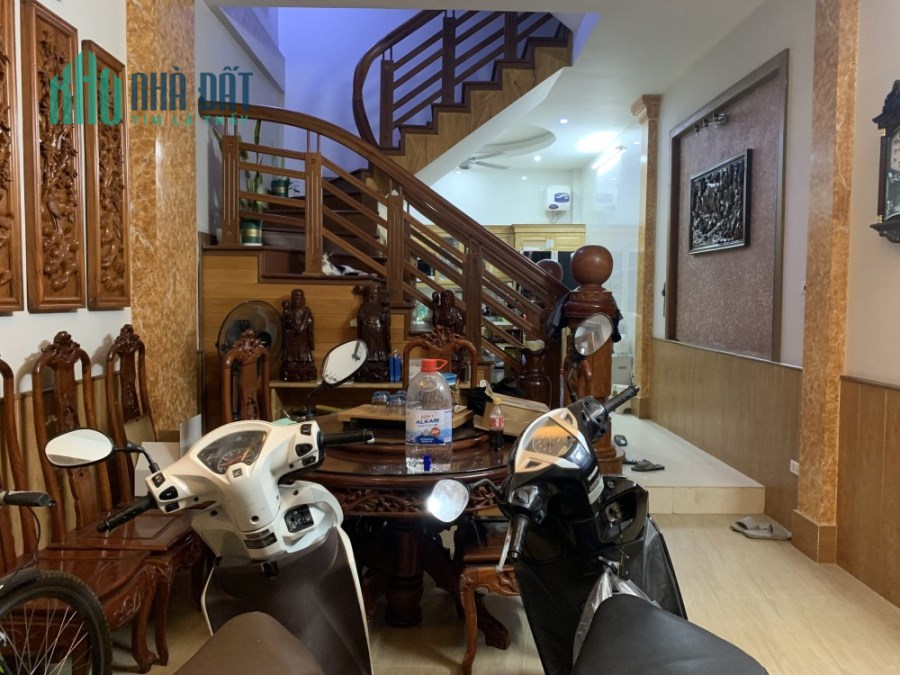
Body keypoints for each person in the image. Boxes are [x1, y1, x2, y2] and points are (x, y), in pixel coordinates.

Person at [355, 284, 391, 381]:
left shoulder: (381, 306)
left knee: (379, 348)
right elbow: (360, 316)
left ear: (378, 294)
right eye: (371, 293)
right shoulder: (364, 306)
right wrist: (362, 319)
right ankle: (366, 361)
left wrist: (384, 316)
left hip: (378, 330)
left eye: (375, 293)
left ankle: (379, 362)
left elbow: (385, 318)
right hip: (367, 329)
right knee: (368, 347)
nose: (373, 295)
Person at [280, 289, 316, 381]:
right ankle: (291, 363)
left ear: (303, 299)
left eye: (299, 297)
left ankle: (303, 363)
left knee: (304, 355)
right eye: (295, 297)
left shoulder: (306, 311)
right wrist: (286, 312)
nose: (297, 300)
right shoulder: (289, 311)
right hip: (291, 339)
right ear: (292, 299)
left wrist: (303, 327)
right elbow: (284, 323)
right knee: (290, 358)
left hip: (303, 339)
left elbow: (309, 323)